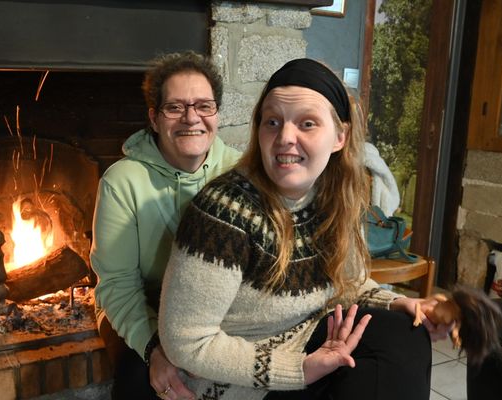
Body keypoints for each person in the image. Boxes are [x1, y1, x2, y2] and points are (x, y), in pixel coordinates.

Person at [158, 58, 451, 400]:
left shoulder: (335, 196)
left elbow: (349, 285)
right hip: (240, 381)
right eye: (272, 122)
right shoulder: (224, 211)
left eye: (307, 123)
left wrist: (399, 302)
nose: (285, 137)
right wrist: (300, 369)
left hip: (312, 347)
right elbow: (186, 342)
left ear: (340, 136)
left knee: (404, 333)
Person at [90, 51, 241, 399]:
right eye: (175, 107)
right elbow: (118, 285)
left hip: (215, 307)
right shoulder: (121, 182)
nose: (192, 118)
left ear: (216, 114)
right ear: (155, 119)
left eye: (204, 106)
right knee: (139, 382)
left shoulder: (240, 172)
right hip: (142, 306)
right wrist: (155, 351)